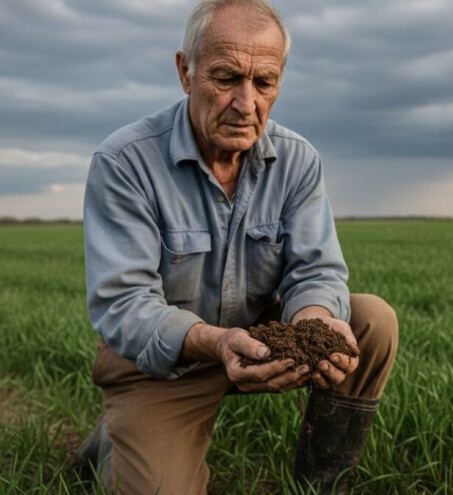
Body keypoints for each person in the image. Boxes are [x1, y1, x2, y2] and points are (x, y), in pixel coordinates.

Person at [79, 0, 398, 493]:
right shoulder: (125, 162)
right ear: (186, 72)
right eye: (226, 78)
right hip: (163, 365)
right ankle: (116, 440)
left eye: (264, 82)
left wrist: (313, 321)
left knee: (370, 321)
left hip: (260, 340)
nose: (246, 103)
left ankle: (321, 485)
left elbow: (315, 271)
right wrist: (216, 341)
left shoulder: (297, 161)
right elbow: (123, 303)